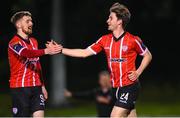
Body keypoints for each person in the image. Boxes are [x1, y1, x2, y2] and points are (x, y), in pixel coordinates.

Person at [48, 2, 152, 117]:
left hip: (130, 86)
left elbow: (148, 55)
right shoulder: (104, 40)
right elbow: (84, 53)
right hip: (116, 88)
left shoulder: (133, 40)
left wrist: (138, 72)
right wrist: (61, 50)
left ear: (119, 21)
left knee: (114, 116)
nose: (107, 20)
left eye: (110, 18)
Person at [8, 11, 62, 117]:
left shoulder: (34, 41)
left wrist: (42, 85)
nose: (31, 23)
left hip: (36, 87)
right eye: (27, 21)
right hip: (20, 88)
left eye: (31, 21)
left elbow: (37, 64)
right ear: (18, 25)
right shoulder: (14, 43)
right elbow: (26, 53)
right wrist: (46, 51)